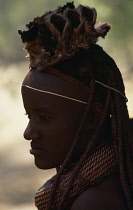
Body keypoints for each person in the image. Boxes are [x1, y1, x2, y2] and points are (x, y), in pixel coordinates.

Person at [18, 2, 133, 210]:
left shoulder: (95, 203)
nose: (29, 133)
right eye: (29, 116)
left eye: (44, 117)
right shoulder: (98, 184)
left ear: (93, 117)